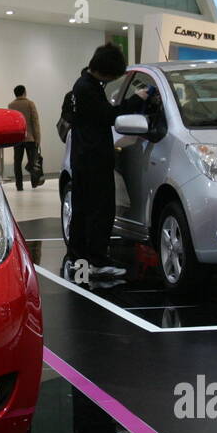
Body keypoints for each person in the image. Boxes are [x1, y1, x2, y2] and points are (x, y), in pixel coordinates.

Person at [66, 44, 144, 277]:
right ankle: (97, 261)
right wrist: (137, 100)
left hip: (83, 157)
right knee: (100, 210)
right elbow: (109, 116)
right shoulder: (88, 89)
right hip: (94, 159)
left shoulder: (83, 84)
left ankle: (79, 258)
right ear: (107, 71)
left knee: (83, 210)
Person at [6, 85, 43, 190]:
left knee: (17, 162)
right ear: (24, 92)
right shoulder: (30, 104)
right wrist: (38, 138)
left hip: (17, 139)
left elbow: (11, 123)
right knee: (32, 161)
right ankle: (34, 183)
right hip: (30, 138)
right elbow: (35, 122)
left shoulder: (11, 105)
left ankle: (19, 185)